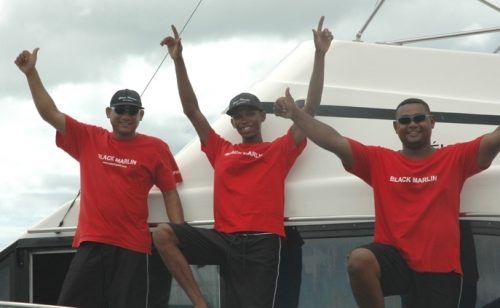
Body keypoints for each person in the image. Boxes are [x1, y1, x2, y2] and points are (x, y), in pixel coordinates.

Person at [152, 17, 333, 308]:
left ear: (262, 117)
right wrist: (178, 61)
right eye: (238, 116)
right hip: (224, 239)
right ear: (233, 123)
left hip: (263, 242)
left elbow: (310, 109)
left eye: (250, 113)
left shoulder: (279, 150)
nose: (244, 119)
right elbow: (191, 110)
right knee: (163, 234)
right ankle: (200, 303)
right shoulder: (220, 149)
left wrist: (319, 54)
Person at [274, 93, 500, 307]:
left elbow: (494, 140)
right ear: (396, 127)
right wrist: (296, 114)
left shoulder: (455, 158)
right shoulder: (378, 160)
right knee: (359, 260)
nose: (412, 124)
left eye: (419, 118)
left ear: (432, 122)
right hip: (395, 261)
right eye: (404, 120)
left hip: (440, 270)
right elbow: (333, 140)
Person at [15, 48, 185, 308]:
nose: (126, 115)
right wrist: (31, 74)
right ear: (109, 112)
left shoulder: (157, 147)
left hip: (134, 248)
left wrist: (180, 235)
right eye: (120, 109)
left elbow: (170, 191)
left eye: (132, 110)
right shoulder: (89, 138)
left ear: (141, 115)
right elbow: (51, 114)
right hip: (92, 243)